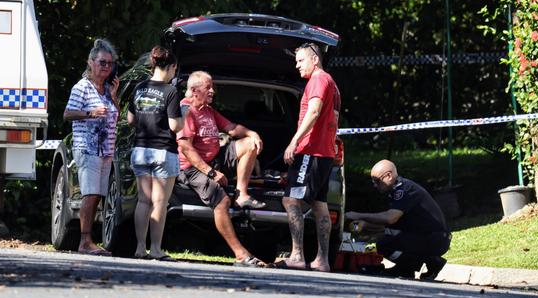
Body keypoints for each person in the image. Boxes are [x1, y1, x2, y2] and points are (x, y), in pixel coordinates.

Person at [176, 70, 267, 267]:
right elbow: (185, 147)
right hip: (192, 168)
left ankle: (242, 194)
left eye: (212, 87)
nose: (212, 91)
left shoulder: (208, 110)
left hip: (215, 159)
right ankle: (241, 255)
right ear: (193, 90)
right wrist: (211, 173)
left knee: (250, 143)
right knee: (222, 202)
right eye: (208, 87)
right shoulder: (186, 110)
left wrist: (253, 133)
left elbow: (232, 128)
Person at [280, 42, 341, 272]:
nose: (297, 66)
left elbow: (314, 111)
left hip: (310, 151)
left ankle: (297, 255)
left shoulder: (318, 80)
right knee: (319, 205)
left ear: (314, 59)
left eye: (300, 60)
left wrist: (295, 141)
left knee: (290, 200)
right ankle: (321, 261)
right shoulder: (331, 83)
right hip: (324, 153)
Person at [345, 159, 451, 279]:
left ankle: (429, 262)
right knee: (386, 238)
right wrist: (365, 225)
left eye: (377, 181)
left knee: (384, 244)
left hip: (435, 239)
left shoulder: (404, 190)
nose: (374, 185)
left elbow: (390, 218)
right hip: (427, 237)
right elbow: (387, 225)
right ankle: (406, 268)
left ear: (389, 175)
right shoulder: (396, 190)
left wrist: (357, 215)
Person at [63, 38, 120, 256]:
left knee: (97, 195)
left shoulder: (107, 89)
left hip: (106, 149)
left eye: (109, 63)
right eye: (102, 62)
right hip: (87, 148)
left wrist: (114, 98)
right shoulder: (82, 87)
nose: (106, 67)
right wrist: (90, 113)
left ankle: (89, 239)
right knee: (89, 194)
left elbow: (117, 115)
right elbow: (67, 113)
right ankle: (84, 241)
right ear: (91, 62)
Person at [127, 46, 183, 261]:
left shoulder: (140, 87)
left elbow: (131, 120)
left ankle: (140, 248)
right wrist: (183, 118)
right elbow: (175, 125)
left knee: (143, 201)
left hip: (140, 150)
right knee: (160, 202)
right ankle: (156, 249)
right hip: (163, 152)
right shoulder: (170, 91)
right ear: (170, 67)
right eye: (174, 70)